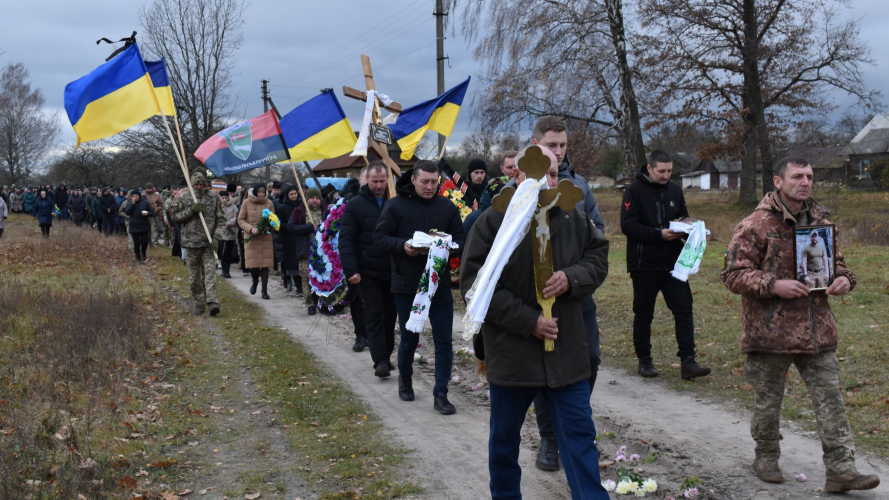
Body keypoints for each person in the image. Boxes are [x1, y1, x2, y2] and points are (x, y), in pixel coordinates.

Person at [720, 157, 880, 492]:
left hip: (817, 329)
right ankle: (765, 456)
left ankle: (841, 469)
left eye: (809, 176)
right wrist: (771, 285)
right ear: (779, 182)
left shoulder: (821, 219)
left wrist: (844, 279)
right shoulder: (754, 224)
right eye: (797, 176)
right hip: (770, 331)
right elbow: (732, 273)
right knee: (768, 400)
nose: (805, 182)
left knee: (830, 397)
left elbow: (838, 264)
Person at [461, 145, 610, 500]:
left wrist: (572, 277)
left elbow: (598, 258)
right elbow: (475, 285)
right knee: (504, 444)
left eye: (555, 173)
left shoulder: (573, 216)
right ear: (519, 174)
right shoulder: (493, 221)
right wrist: (529, 321)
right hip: (513, 354)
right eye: (540, 172)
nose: (548, 180)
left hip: (566, 351)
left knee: (579, 440)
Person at [528, 115, 608, 471]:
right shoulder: (523, 185)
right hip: (537, 300)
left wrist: (573, 275)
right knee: (548, 370)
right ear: (536, 145)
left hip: (576, 298)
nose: (558, 153)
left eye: (562, 146)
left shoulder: (579, 186)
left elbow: (598, 239)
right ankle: (550, 438)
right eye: (551, 145)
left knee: (588, 361)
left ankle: (570, 426)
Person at [374, 160, 466, 415]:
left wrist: (448, 245)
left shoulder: (446, 206)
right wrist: (403, 246)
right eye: (424, 181)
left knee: (443, 341)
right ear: (412, 180)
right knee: (409, 339)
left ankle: (441, 394)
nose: (429, 186)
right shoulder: (395, 205)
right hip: (407, 284)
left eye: (434, 182)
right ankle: (405, 379)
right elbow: (379, 238)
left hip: (439, 283)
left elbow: (460, 237)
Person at [620, 149, 711, 380]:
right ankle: (644, 361)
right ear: (649, 168)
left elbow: (682, 218)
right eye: (661, 171)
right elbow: (628, 226)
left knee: (684, 310)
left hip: (674, 264)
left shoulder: (675, 190)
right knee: (644, 314)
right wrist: (658, 234)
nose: (666, 175)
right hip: (644, 265)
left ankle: (688, 362)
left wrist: (691, 228)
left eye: (670, 171)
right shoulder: (634, 191)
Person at [340, 161, 397, 375]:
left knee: (390, 316)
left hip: (393, 270)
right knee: (374, 314)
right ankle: (380, 361)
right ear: (366, 180)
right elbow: (346, 239)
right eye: (375, 181)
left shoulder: (396, 201)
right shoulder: (355, 205)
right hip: (367, 271)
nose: (379, 185)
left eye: (383, 181)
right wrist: (351, 270)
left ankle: (387, 354)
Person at [170, 171, 226, 316]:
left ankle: (213, 302)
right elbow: (175, 218)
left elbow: (221, 219)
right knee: (194, 276)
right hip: (191, 243)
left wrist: (217, 238)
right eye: (196, 184)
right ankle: (198, 303)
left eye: (202, 184)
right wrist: (191, 211)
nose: (199, 187)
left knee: (210, 273)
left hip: (208, 243)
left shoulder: (214, 197)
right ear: (191, 184)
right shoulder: (183, 197)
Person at [288, 187, 326, 314]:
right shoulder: (299, 211)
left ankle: (322, 301)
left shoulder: (325, 210)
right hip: (305, 251)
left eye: (317, 198)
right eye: (312, 198)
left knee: (323, 277)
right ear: (307, 199)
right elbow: (291, 227)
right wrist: (308, 228)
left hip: (323, 252)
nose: (315, 201)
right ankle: (310, 303)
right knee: (306, 278)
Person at [238, 183, 276, 300]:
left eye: (263, 192)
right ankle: (255, 280)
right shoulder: (246, 202)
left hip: (265, 237)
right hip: (252, 238)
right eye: (259, 192)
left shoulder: (269, 203)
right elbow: (240, 220)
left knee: (265, 264)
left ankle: (264, 290)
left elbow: (274, 220)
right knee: (253, 265)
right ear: (255, 192)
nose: (261, 194)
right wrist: (251, 228)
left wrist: (268, 227)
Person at [274, 184, 300, 292]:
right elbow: (279, 225)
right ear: (287, 195)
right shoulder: (282, 208)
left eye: (295, 193)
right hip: (288, 238)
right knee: (291, 263)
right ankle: (295, 285)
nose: (294, 196)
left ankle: (302, 285)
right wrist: (291, 226)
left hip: (300, 237)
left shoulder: (301, 206)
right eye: (291, 194)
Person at [124, 190, 155, 263]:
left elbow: (152, 213)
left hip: (143, 225)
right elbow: (127, 212)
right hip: (133, 226)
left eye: (136, 196)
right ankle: (138, 258)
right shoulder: (129, 203)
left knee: (144, 242)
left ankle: (143, 252)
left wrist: (147, 213)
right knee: (136, 243)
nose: (135, 197)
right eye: (133, 196)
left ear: (139, 196)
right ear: (131, 197)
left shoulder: (145, 203)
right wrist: (132, 204)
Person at [218, 191, 239, 278]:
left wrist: (229, 223)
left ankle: (227, 270)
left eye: (225, 198)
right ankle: (223, 268)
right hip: (222, 233)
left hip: (231, 232)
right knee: (223, 251)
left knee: (229, 252)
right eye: (222, 198)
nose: (224, 200)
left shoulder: (233, 207)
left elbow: (236, 217)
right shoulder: (218, 206)